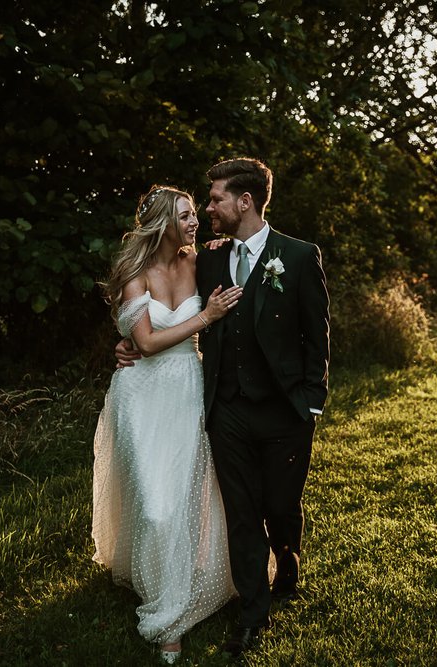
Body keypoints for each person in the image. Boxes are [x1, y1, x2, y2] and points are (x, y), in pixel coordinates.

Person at [116, 158, 330, 658]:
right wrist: (127, 346)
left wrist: (311, 404)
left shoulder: (297, 257)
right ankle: (254, 615)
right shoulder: (207, 258)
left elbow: (316, 336)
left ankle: (288, 558)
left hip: (284, 410)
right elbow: (151, 317)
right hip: (224, 407)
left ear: (245, 201)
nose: (209, 208)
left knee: (280, 506)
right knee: (240, 512)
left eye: (214, 200)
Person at [91, 185, 243, 664]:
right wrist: (208, 318)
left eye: (196, 213)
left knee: (185, 492)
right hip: (142, 393)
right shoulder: (135, 273)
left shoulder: (200, 262)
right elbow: (149, 342)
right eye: (186, 215)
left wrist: (220, 252)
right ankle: (164, 602)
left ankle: (177, 597)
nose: (195, 221)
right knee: (154, 502)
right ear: (162, 221)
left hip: (187, 389)